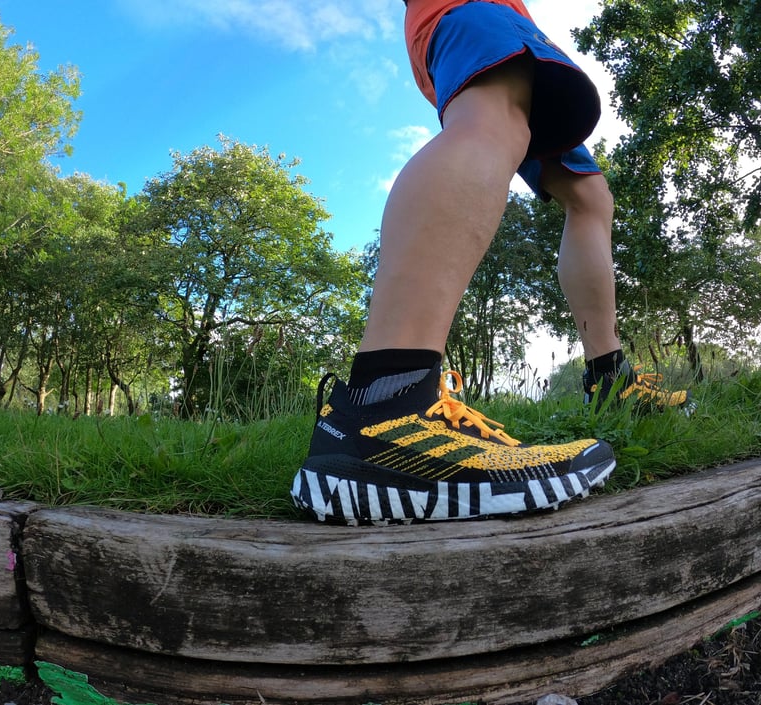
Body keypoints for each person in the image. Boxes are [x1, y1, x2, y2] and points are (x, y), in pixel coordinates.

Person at [290, 0, 689, 525]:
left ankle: (611, 380)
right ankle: (384, 405)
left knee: (589, 194)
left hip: (504, 18)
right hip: (465, 8)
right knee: (495, 118)